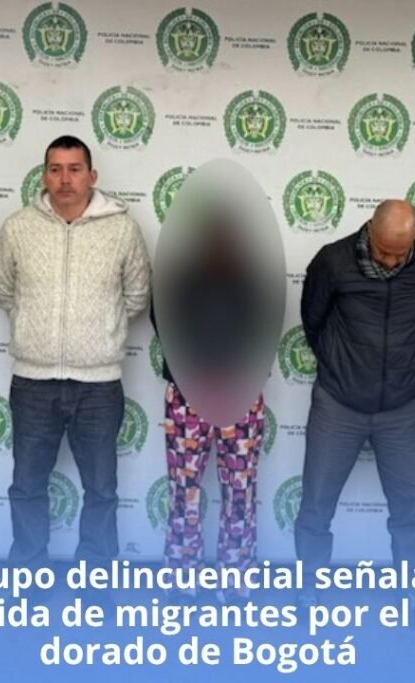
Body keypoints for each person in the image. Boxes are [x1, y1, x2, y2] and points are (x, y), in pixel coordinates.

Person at [0, 135, 150, 588]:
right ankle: (27, 575)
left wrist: (99, 331)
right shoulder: (18, 227)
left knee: (101, 489)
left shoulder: (122, 229)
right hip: (33, 381)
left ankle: (96, 579)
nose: (65, 179)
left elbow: (136, 296)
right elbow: (5, 291)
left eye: (75, 169)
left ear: (92, 176)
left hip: (98, 385)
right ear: (44, 175)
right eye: (56, 169)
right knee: (27, 486)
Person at [295, 199, 415, 607]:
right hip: (338, 405)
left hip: (403, 409)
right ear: (370, 230)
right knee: (316, 504)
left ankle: (414, 589)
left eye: (401, 253)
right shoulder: (332, 261)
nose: (392, 261)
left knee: (408, 510)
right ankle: (309, 584)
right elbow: (313, 321)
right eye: (383, 251)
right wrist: (341, 364)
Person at [150, 223, 265, 606]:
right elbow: (163, 323)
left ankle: (236, 582)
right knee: (184, 492)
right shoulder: (173, 278)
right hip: (188, 392)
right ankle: (182, 581)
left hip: (241, 392)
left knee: (240, 493)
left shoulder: (256, 281)